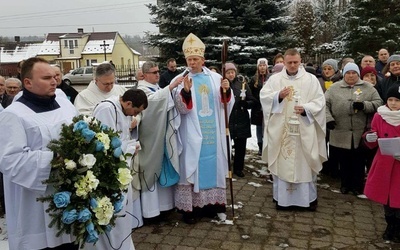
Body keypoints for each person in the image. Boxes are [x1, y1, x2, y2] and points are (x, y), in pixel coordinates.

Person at [0, 57, 79, 250]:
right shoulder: (14, 115)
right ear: (28, 82)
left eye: (54, 76)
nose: (54, 81)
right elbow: (10, 160)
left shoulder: (66, 106)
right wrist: (55, 159)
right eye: (46, 78)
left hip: (70, 196)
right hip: (34, 204)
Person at [172, 33, 234, 224]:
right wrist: (186, 92)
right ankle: (192, 210)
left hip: (212, 131)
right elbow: (180, 109)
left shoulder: (216, 78)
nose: (192, 63)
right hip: (191, 132)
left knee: (214, 166)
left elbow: (226, 104)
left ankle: (214, 206)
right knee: (192, 166)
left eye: (196, 59)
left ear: (203, 60)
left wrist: (227, 90)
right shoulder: (180, 80)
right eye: (189, 59)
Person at [260, 48, 327, 211]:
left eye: (295, 62)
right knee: (283, 163)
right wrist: (278, 97)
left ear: (300, 60)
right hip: (282, 131)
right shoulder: (275, 80)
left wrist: (306, 109)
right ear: (284, 61)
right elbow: (264, 97)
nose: (292, 65)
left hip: (303, 130)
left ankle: (307, 200)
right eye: (289, 62)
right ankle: (282, 200)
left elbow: (320, 101)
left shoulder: (311, 80)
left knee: (304, 164)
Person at [90, 89, 148, 250]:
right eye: (135, 111)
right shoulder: (107, 109)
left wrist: (131, 144)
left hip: (121, 168)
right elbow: (104, 145)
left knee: (123, 210)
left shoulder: (122, 110)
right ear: (128, 103)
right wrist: (130, 147)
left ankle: (122, 243)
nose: (133, 115)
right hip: (108, 170)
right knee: (114, 211)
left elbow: (123, 137)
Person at [325, 62, 382, 197]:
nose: (351, 76)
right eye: (348, 73)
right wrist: (328, 119)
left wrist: (364, 105)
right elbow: (324, 105)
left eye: (354, 73)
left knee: (358, 161)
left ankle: (357, 186)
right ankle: (345, 185)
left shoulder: (368, 88)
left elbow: (378, 103)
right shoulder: (334, 88)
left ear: (358, 74)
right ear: (344, 74)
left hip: (359, 132)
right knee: (344, 160)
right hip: (340, 130)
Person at [136, 61, 183, 223]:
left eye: (158, 71)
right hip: (150, 140)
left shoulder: (156, 88)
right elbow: (151, 104)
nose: (157, 74)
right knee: (152, 171)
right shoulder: (141, 89)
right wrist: (169, 88)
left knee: (163, 168)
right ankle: (151, 211)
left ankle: (165, 206)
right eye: (154, 72)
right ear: (144, 74)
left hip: (161, 136)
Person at [363, 85, 400, 242]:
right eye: (390, 100)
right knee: (387, 199)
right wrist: (369, 137)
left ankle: (398, 228)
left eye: (397, 101)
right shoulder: (380, 116)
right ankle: (389, 225)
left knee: (398, 198)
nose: (393, 103)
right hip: (384, 162)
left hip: (398, 166)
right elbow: (373, 133)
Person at [225, 62, 257, 177]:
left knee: (240, 147)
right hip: (228, 120)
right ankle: (226, 167)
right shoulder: (222, 85)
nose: (231, 74)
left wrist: (246, 103)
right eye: (228, 72)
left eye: (232, 72)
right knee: (226, 146)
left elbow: (252, 100)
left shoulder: (242, 84)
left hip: (241, 120)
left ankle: (238, 168)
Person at [318, 59, 342, 178]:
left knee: (334, 144)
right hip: (321, 116)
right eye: (325, 69)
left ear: (335, 69)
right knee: (322, 141)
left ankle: (334, 166)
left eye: (329, 69)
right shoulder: (319, 81)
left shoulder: (340, 81)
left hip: (336, 117)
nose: (327, 71)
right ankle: (323, 165)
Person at [249, 58, 268, 155]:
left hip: (268, 107)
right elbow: (250, 93)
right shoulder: (254, 79)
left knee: (268, 127)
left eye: (264, 65)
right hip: (257, 107)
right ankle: (260, 146)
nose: (262, 67)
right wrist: (255, 101)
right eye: (260, 65)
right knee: (259, 127)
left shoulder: (270, 78)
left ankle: (267, 146)